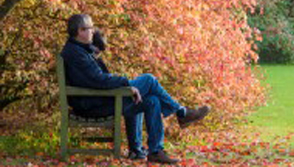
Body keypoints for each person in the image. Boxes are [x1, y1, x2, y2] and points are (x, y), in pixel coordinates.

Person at [61, 14, 210, 165]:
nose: (93, 31)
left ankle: (153, 151)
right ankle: (181, 113)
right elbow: (99, 80)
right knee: (148, 79)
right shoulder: (75, 53)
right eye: (90, 28)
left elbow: (98, 78)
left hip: (99, 100)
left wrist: (121, 82)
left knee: (152, 101)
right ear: (80, 31)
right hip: (92, 104)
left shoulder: (81, 50)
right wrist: (126, 83)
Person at [92, 28, 146, 160]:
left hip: (99, 99)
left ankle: (136, 147)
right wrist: (124, 83)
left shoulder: (93, 60)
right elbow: (102, 82)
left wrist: (123, 84)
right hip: (96, 102)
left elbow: (105, 80)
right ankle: (135, 148)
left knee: (137, 99)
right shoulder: (88, 61)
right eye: (95, 51)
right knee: (135, 101)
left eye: (99, 53)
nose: (96, 55)